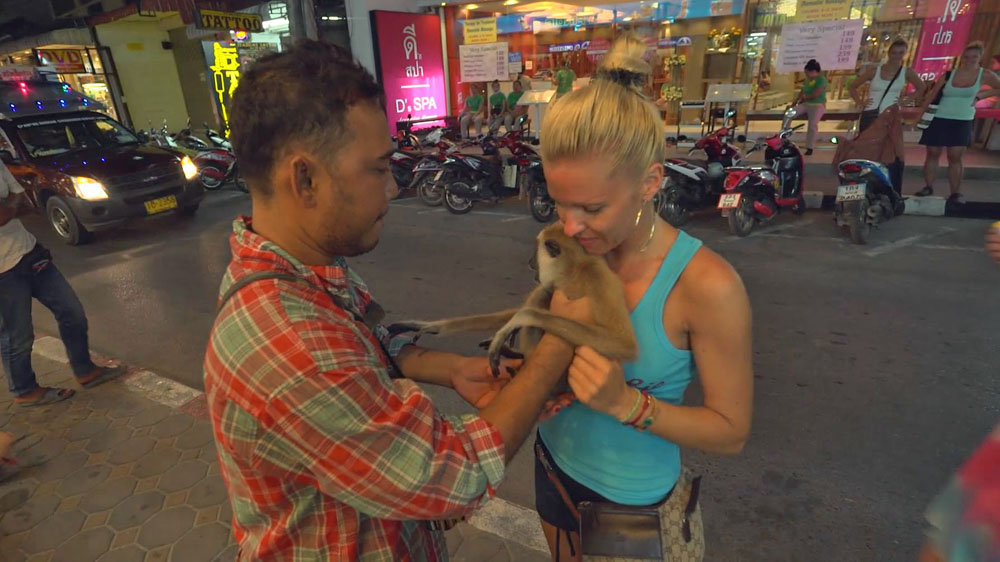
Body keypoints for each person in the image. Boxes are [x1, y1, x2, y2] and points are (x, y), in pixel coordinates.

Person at [204, 40, 590, 560]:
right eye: (378, 168)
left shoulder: (300, 271)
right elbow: (453, 476)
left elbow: (367, 336)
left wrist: (448, 367)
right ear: (305, 178)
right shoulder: (291, 342)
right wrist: (556, 345)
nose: (391, 188)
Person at [534, 37, 754, 560]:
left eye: (590, 206)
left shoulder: (706, 286)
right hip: (551, 470)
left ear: (649, 183)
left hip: (632, 507)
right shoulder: (564, 242)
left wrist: (624, 403)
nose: (568, 225)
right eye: (558, 202)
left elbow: (730, 432)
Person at [0, 160, 124, 407]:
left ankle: (84, 369)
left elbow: (23, 200)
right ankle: (25, 390)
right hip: (4, 272)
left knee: (72, 311)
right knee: (18, 335)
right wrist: (11, 205)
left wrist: (11, 205)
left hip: (28, 251)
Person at [915, 42, 1000, 204]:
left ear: (980, 58)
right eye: (966, 57)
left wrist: (981, 95)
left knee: (955, 156)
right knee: (932, 153)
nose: (969, 60)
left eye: (974, 57)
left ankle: (955, 192)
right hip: (939, 117)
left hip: (962, 119)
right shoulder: (949, 74)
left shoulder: (985, 74)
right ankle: (928, 186)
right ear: (962, 58)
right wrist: (919, 115)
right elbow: (931, 95)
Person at [849, 38, 924, 133]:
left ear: (904, 54)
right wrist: (860, 102)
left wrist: (906, 101)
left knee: (887, 144)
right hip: (872, 112)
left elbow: (921, 87)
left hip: (892, 113)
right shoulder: (875, 71)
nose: (897, 56)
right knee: (867, 143)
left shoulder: (907, 72)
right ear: (889, 53)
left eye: (900, 53)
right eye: (894, 52)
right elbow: (852, 86)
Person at [792, 59, 827, 155]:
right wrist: (794, 103)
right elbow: (802, 91)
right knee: (789, 114)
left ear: (814, 72)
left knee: (812, 125)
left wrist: (805, 97)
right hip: (805, 104)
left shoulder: (821, 80)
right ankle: (783, 138)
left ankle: (810, 147)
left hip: (817, 105)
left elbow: (816, 94)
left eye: (807, 73)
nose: (806, 75)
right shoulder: (807, 80)